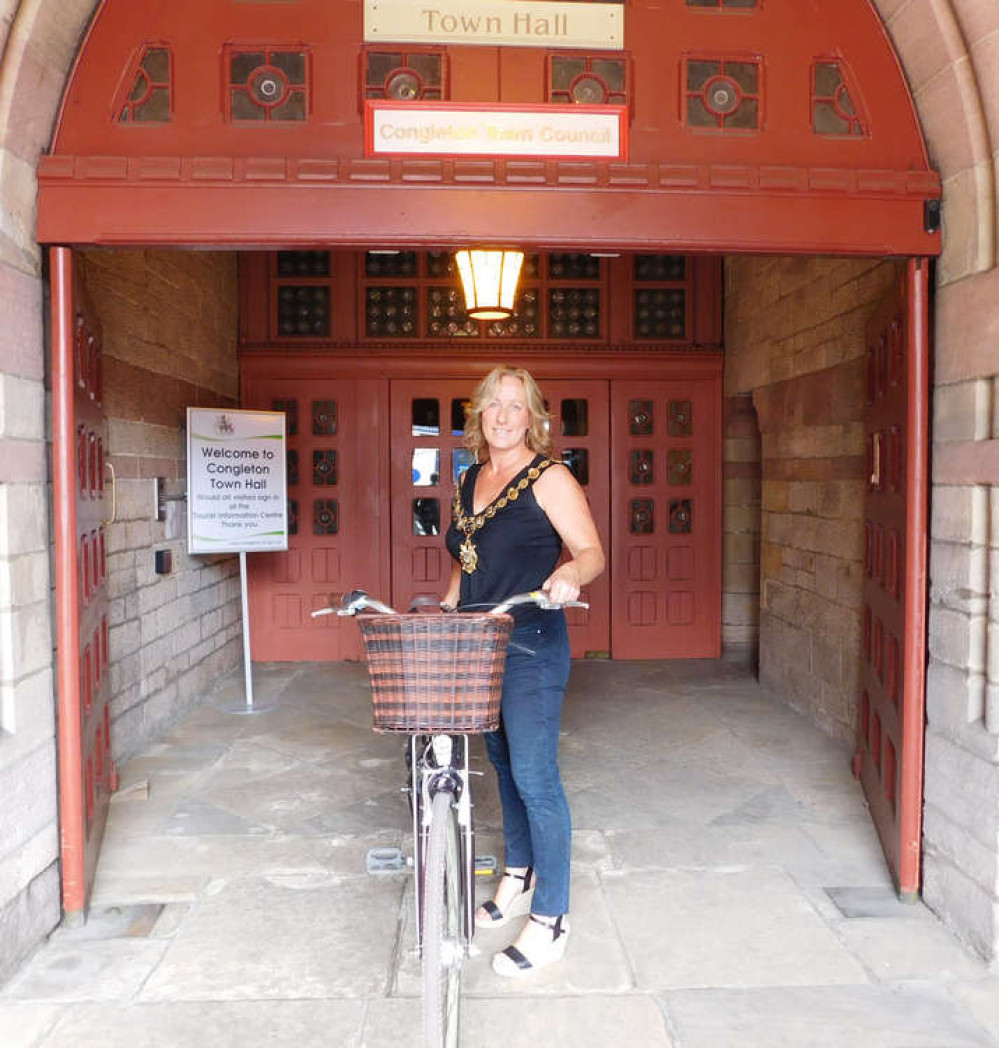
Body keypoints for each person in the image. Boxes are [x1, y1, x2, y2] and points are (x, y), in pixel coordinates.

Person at [442, 365, 605, 976]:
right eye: (492, 406)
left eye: (515, 406)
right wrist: (449, 605)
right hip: (479, 643)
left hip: (532, 638)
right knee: (503, 765)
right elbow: (467, 558)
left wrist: (568, 574)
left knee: (536, 775)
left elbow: (592, 552)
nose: (503, 416)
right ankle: (519, 872)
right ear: (479, 417)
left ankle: (552, 917)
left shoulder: (550, 476)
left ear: (535, 417)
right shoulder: (468, 479)